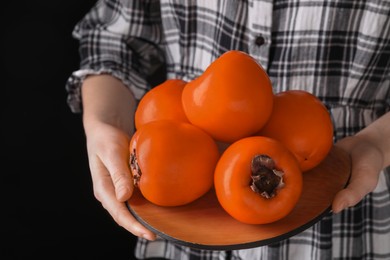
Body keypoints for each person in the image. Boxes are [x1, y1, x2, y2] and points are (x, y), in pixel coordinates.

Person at [66, 0, 390, 259]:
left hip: (344, 216)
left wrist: (377, 143)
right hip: (186, 231)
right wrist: (103, 123)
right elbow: (113, 36)